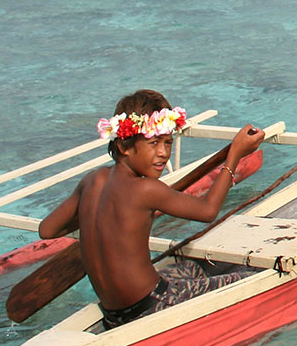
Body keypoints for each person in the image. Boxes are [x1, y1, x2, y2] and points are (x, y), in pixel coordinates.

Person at [39, 88, 265, 328]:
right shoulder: (146, 189)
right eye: (154, 143)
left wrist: (96, 212)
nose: (163, 154)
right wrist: (234, 156)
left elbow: (47, 230)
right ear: (125, 145)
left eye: (168, 143)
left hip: (115, 315)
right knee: (256, 276)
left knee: (193, 268)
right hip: (155, 303)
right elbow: (208, 211)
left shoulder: (91, 181)